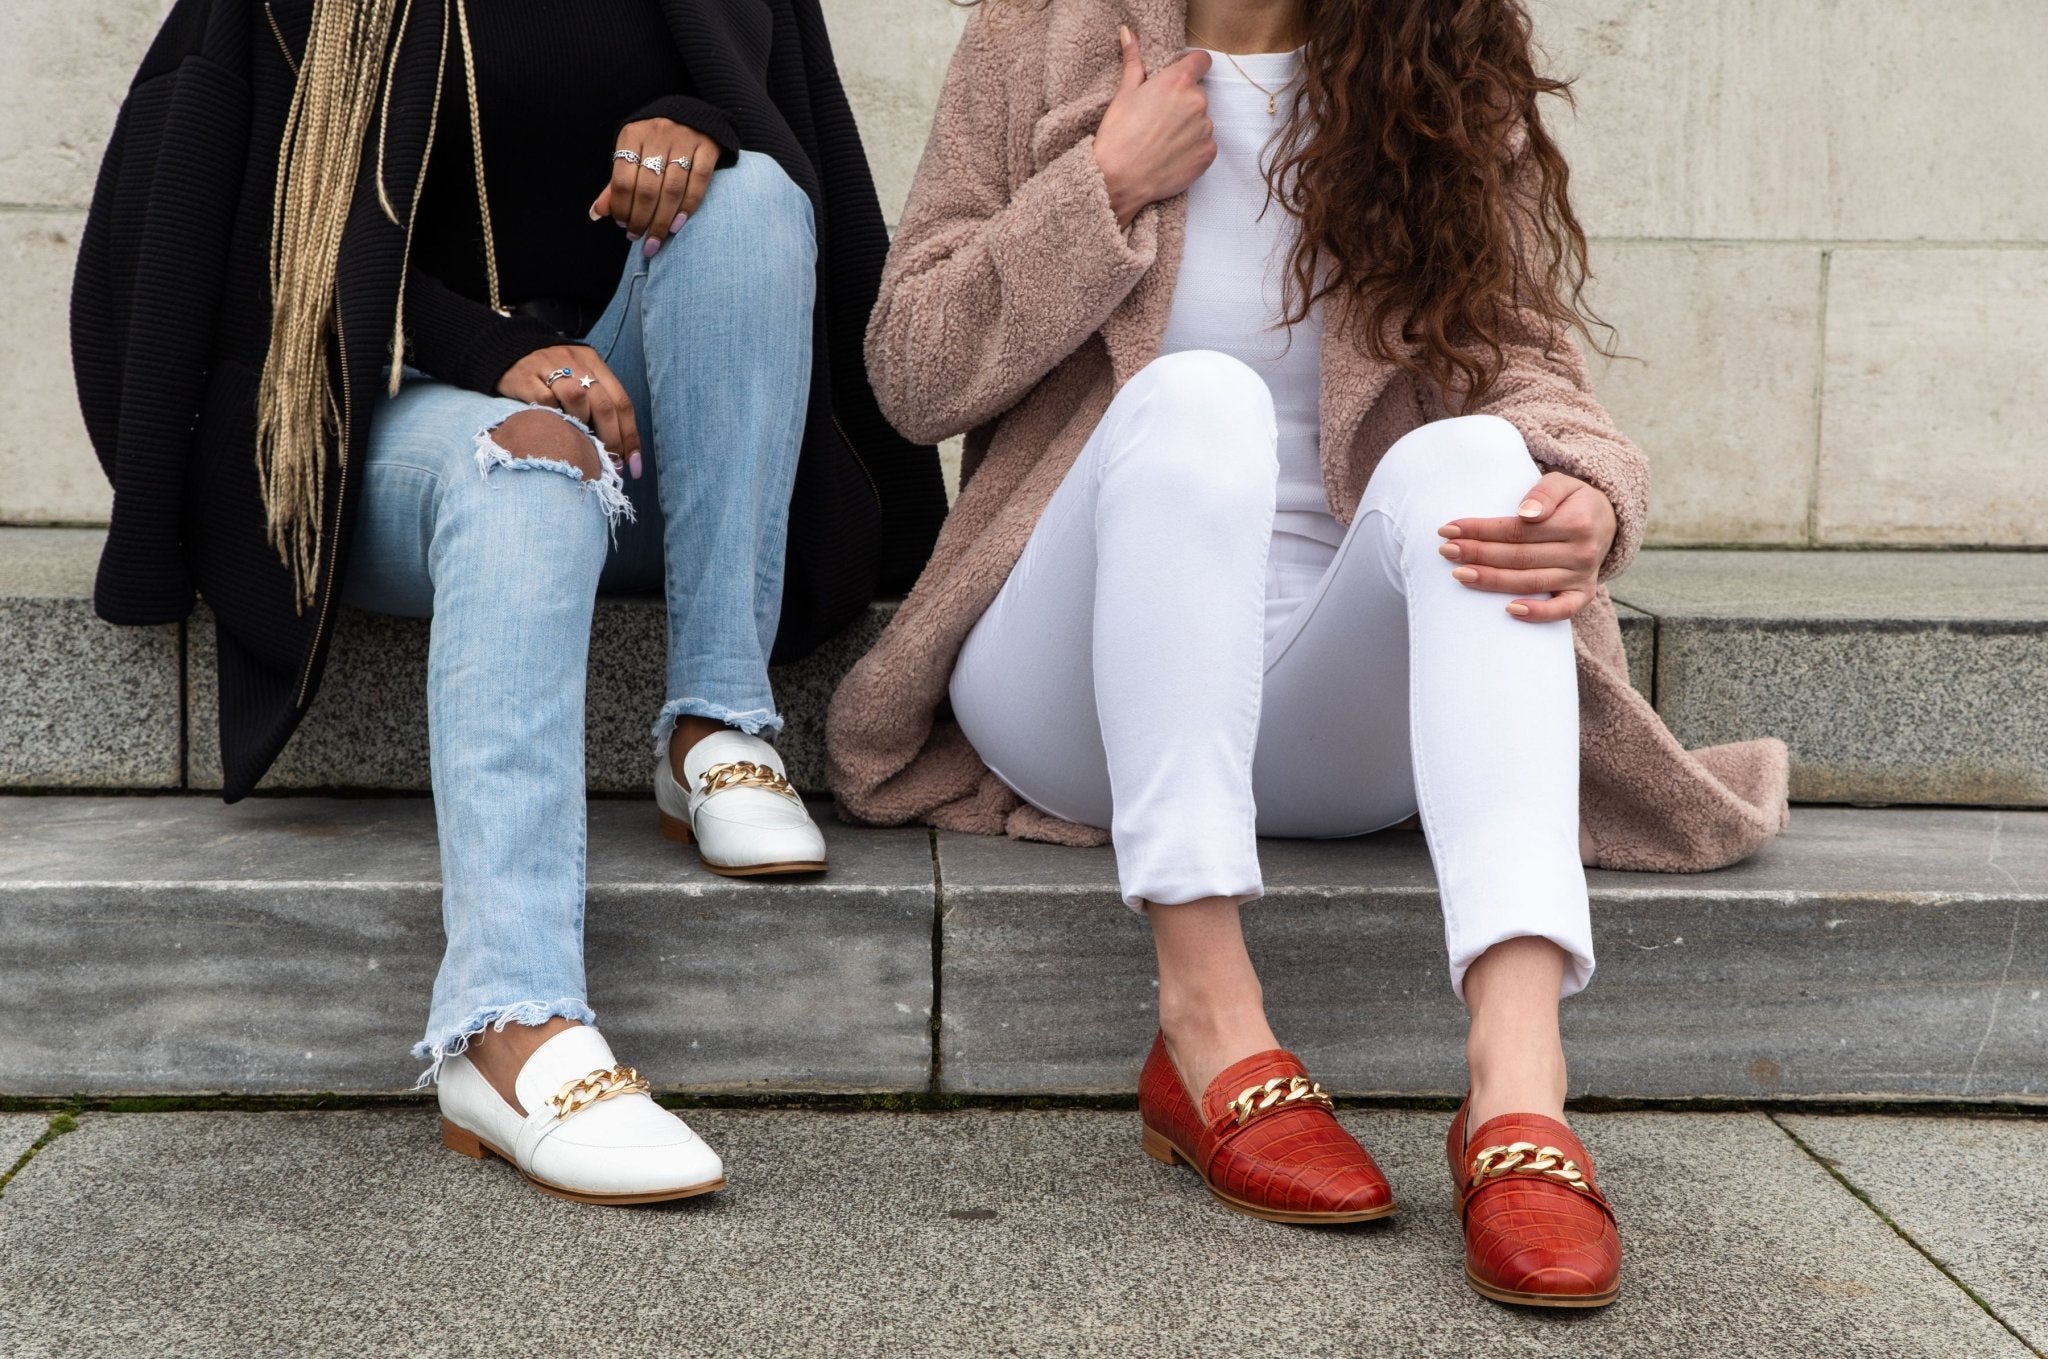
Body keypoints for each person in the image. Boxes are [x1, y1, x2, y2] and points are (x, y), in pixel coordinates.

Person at [828, 0, 1787, 1306]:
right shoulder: (1040, 35)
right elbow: (909, 373)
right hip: (1077, 688)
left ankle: (1518, 1089)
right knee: (1196, 399)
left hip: (1336, 699)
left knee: (1479, 460)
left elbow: (1527, 369)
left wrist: (1593, 494)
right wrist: (1101, 185)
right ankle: (1209, 1017)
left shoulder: (1428, 53)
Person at [74, 0, 945, 1206]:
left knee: (750, 203)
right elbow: (263, 223)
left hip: (643, 435)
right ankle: (510, 1022)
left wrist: (694, 126)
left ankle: (715, 726)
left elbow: (800, 167)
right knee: (528, 459)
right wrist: (487, 355)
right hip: (394, 429)